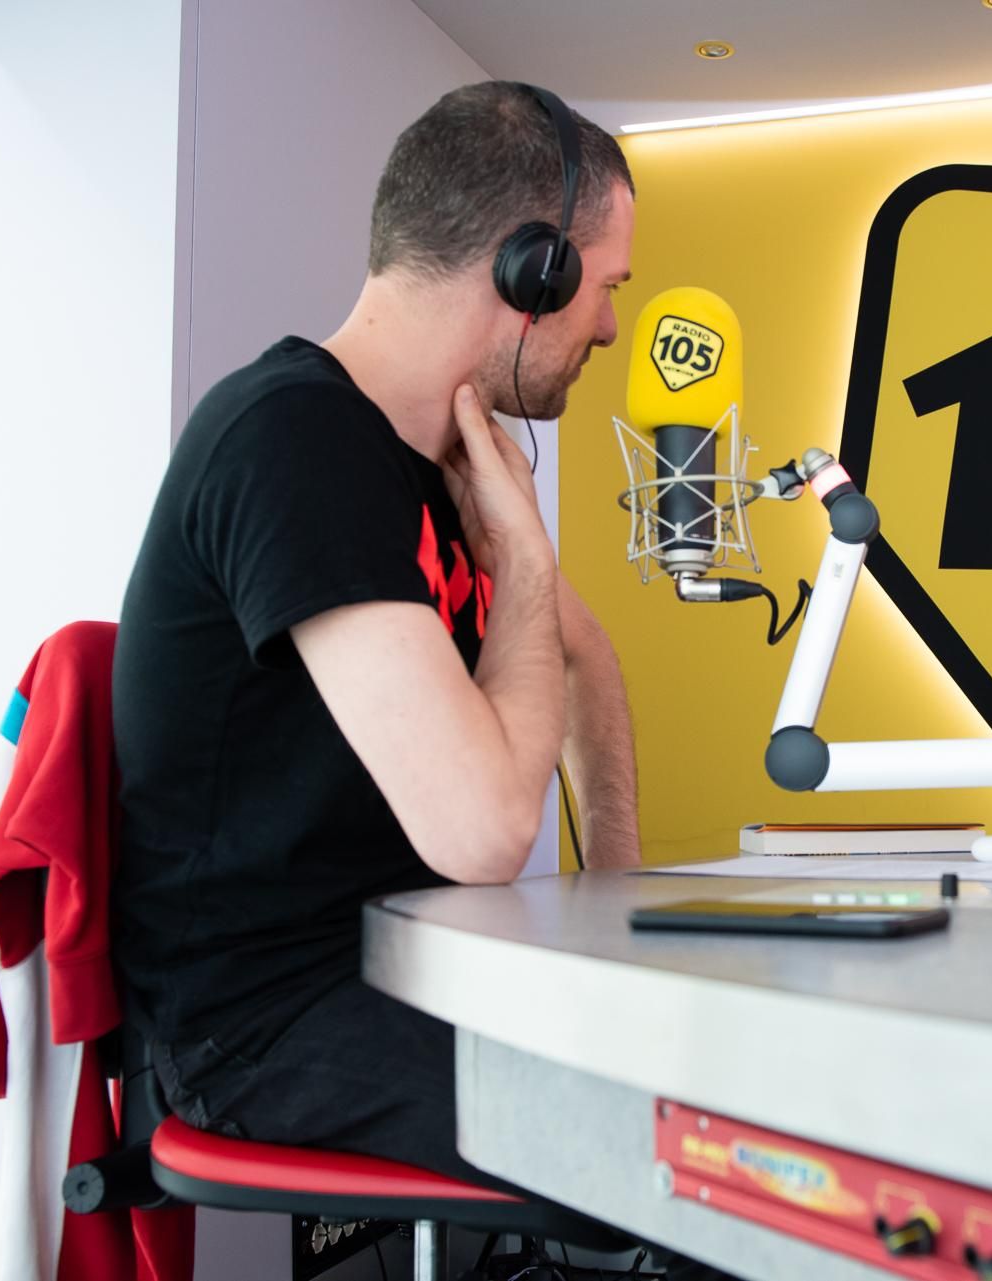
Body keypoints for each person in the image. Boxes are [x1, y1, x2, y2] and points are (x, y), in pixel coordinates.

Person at [111, 81, 640, 1189]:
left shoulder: (437, 461)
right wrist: (524, 566)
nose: (607, 325)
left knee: (719, 1053)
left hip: (403, 965)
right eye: (604, 287)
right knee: (681, 1127)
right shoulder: (295, 442)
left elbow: (585, 655)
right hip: (268, 1020)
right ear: (531, 271)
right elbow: (485, 832)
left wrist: (617, 909)